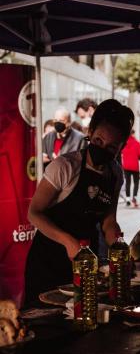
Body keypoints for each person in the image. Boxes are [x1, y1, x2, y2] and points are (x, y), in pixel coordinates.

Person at [24, 99, 133, 304]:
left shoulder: (115, 174)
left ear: (121, 147)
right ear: (90, 132)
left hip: (86, 261)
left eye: (111, 147)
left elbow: (109, 222)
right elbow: (34, 213)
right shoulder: (65, 166)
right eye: (99, 141)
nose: (103, 148)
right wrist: (68, 241)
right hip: (48, 259)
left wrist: (120, 249)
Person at [121, 130, 140, 207]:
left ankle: (127, 199)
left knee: (128, 182)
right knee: (136, 182)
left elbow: (121, 152)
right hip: (135, 165)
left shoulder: (124, 143)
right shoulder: (137, 143)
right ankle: (134, 197)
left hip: (126, 165)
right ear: (133, 134)